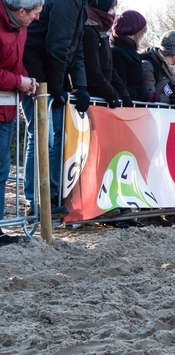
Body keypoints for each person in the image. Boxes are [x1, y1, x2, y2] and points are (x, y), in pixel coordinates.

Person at [23, 0, 91, 219]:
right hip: (37, 72)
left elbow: (76, 45)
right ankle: (35, 200)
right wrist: (55, 86)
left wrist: (81, 86)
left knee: (55, 137)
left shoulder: (80, 4)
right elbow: (57, 45)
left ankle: (50, 196)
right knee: (41, 136)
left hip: (51, 76)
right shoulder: (67, 2)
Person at [0, 0, 43, 245]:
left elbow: (15, 64)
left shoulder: (21, 27)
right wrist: (18, 81)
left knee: (2, 170)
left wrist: (25, 80)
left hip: (6, 109)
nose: (38, 18)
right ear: (21, 11)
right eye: (35, 13)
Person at [83, 0, 132, 108]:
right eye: (111, 8)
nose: (114, 12)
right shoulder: (89, 31)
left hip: (101, 98)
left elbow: (109, 67)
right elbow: (93, 71)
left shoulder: (101, 32)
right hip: (92, 100)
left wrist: (123, 94)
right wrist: (112, 95)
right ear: (103, 7)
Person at [110, 10, 151, 102]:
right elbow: (121, 88)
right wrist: (146, 95)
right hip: (122, 109)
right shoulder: (117, 53)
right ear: (134, 31)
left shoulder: (129, 51)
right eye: (142, 32)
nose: (142, 36)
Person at [141, 30, 175, 104]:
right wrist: (171, 99)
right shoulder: (148, 65)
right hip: (149, 114)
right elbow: (149, 97)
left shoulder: (170, 67)